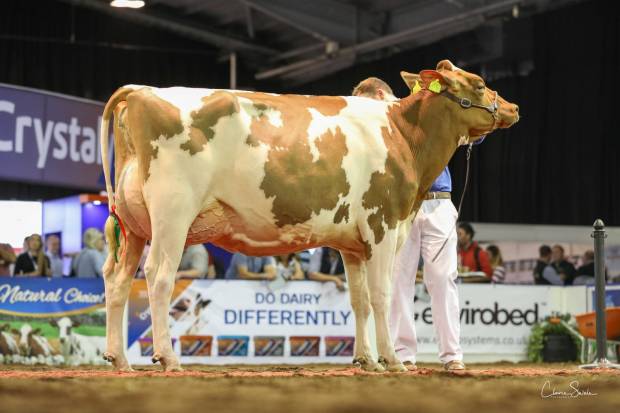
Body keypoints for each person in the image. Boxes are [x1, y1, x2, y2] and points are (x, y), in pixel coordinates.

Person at [353, 76, 466, 371]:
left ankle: (452, 354)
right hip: (397, 207)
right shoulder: (370, 128)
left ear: (380, 95)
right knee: (397, 281)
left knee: (442, 279)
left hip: (437, 200)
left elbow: (468, 129)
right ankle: (403, 354)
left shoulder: (417, 112)